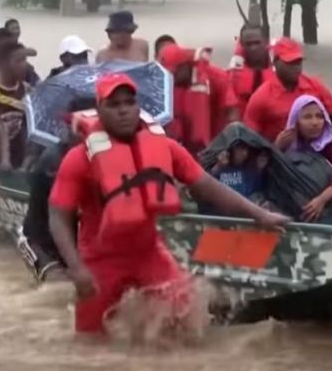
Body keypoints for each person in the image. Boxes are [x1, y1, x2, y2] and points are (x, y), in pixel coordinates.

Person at [48, 73, 289, 334]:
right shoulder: (79, 159)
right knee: (89, 341)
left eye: (129, 103)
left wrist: (259, 215)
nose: (123, 111)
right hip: (99, 260)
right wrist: (77, 268)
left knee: (185, 324)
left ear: (138, 107)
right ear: (99, 110)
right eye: (114, 105)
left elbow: (208, 186)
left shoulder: (167, 148)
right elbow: (58, 216)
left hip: (149, 252)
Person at [20, 97, 96, 282]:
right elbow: (65, 216)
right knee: (58, 290)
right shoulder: (54, 161)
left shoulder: (103, 154)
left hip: (79, 241)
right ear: (71, 125)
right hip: (42, 242)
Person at [244, 37, 332, 143]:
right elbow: (250, 139)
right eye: (290, 62)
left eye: (298, 62)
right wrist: (275, 147)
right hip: (279, 154)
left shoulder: (316, 86)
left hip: (316, 149)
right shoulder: (262, 96)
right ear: (275, 62)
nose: (295, 67)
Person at [276, 95, 332, 221]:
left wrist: (321, 200)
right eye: (307, 117)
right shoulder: (287, 146)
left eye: (319, 116)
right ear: (295, 122)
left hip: (331, 214)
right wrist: (276, 148)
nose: (315, 122)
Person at [159, 43, 239, 154]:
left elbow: (232, 112)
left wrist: (231, 144)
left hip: (216, 145)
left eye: (173, 73)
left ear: (185, 65)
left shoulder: (217, 76)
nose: (170, 78)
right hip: (183, 147)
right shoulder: (168, 83)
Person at [0, 41, 31, 168]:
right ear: (4, 64)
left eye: (25, 60)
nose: (24, 65)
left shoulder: (28, 91)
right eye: (19, 61)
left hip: (20, 159)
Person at [226, 24, 274, 118]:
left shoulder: (282, 71)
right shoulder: (230, 76)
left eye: (257, 43)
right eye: (249, 44)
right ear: (242, 45)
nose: (253, 48)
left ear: (266, 42)